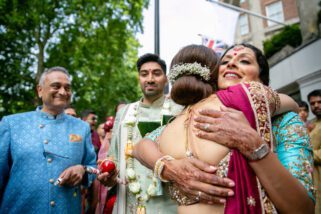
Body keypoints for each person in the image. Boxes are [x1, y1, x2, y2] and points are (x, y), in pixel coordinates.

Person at [133, 44, 314, 213]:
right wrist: (167, 167)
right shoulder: (192, 117)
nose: (232, 64)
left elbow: (303, 209)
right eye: (225, 62)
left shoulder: (283, 121)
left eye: (244, 61)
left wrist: (254, 146)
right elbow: (142, 145)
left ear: (262, 82)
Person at [0, 66, 97, 213]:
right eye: (56, 86)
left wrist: (82, 170)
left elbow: (92, 166)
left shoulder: (82, 127)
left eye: (67, 88)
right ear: (40, 90)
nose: (63, 92)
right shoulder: (12, 124)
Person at [97, 53, 182, 214]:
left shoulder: (178, 110)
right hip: (129, 200)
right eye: (144, 74)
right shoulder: (125, 113)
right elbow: (113, 157)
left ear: (166, 79)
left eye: (156, 73)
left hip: (168, 204)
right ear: (139, 79)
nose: (150, 79)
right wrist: (109, 174)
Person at [308, 89, 321, 214]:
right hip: (314, 176)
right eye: (312, 103)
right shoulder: (311, 124)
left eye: (319, 102)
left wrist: (306, 152)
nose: (316, 105)